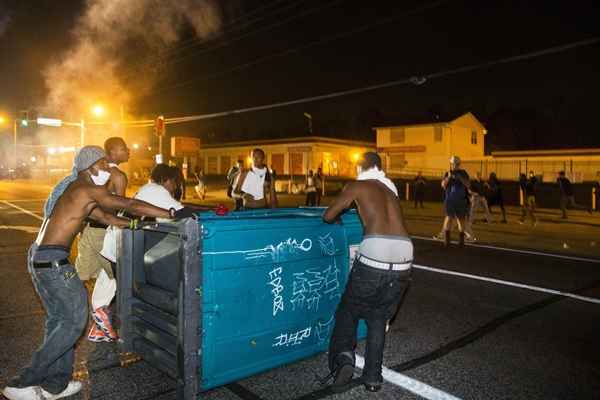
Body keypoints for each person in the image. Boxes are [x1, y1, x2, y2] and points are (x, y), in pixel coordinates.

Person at [2, 146, 195, 400]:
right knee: (73, 321)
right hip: (52, 261)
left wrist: (141, 223)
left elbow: (109, 217)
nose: (107, 169)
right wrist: (172, 212)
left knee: (60, 320)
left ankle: (56, 384)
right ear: (89, 166)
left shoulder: (80, 194)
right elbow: (127, 202)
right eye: (103, 164)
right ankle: (23, 381)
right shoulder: (85, 188)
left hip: (40, 257)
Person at [322, 152, 411, 393]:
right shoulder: (391, 190)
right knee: (378, 316)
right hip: (405, 254)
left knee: (348, 310)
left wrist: (344, 209)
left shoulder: (357, 185)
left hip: (375, 252)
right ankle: (373, 378)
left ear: (361, 168)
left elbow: (328, 215)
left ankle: (343, 361)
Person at [75, 137, 129, 342]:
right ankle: (99, 324)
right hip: (104, 232)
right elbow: (120, 207)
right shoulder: (118, 176)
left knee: (84, 276)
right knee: (116, 276)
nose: (129, 151)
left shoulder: (93, 173)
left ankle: (87, 323)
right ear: (113, 152)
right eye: (124, 149)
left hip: (89, 228)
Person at [441, 156, 470, 247]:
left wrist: (460, 178)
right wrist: (448, 178)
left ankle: (461, 241)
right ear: (450, 164)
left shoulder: (463, 173)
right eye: (453, 164)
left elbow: (468, 185)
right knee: (449, 218)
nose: (454, 165)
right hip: (450, 200)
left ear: (459, 164)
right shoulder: (447, 173)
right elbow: (443, 185)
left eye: (456, 164)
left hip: (461, 200)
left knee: (461, 220)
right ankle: (447, 240)